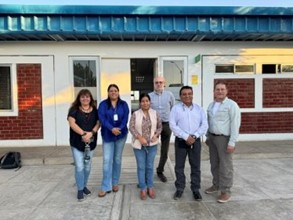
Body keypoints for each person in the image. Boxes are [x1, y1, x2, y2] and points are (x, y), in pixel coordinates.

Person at [169, 85, 208, 201]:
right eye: (184, 94)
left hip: (195, 141)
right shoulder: (175, 109)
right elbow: (172, 125)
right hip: (181, 141)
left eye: (189, 94)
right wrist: (186, 136)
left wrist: (194, 136)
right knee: (179, 166)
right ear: (180, 96)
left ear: (192, 95)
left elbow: (204, 124)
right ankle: (180, 188)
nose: (187, 96)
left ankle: (195, 189)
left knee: (196, 166)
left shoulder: (199, 109)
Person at [205, 82, 241, 203]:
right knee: (214, 163)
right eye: (217, 89)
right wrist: (207, 136)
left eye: (222, 89)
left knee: (225, 165)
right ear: (214, 91)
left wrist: (232, 142)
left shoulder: (232, 105)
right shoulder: (211, 105)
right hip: (212, 138)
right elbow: (208, 122)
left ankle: (225, 191)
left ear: (226, 91)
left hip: (224, 139)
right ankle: (216, 185)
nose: (219, 91)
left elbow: (235, 124)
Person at [67, 89, 100, 201]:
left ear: (90, 98)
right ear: (79, 98)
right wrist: (84, 134)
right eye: (82, 97)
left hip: (90, 143)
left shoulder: (95, 110)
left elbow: (98, 123)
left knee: (87, 166)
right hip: (77, 143)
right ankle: (80, 189)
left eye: (87, 97)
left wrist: (92, 133)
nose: (85, 99)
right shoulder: (74, 109)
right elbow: (72, 123)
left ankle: (84, 185)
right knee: (80, 166)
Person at [98, 84, 129, 197]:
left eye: (115, 90)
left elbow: (125, 118)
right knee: (107, 160)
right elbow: (102, 118)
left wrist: (119, 129)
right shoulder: (103, 105)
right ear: (108, 93)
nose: (113, 92)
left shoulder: (124, 104)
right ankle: (106, 186)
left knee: (117, 159)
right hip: (107, 135)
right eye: (111, 91)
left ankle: (115, 182)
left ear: (118, 92)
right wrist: (111, 128)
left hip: (121, 135)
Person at [129, 93, 162, 200]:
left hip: (152, 145)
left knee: (149, 166)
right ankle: (143, 188)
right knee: (141, 167)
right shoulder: (135, 114)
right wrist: (139, 137)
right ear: (140, 103)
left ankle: (150, 187)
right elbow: (131, 127)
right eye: (143, 101)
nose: (145, 103)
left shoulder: (155, 113)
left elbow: (160, 127)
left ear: (150, 102)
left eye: (147, 101)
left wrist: (156, 135)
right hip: (139, 145)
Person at [149, 76, 175, 182]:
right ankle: (148, 171)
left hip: (166, 125)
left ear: (164, 83)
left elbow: (173, 108)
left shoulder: (169, 95)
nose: (158, 84)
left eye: (160, 82)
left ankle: (160, 170)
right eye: (156, 82)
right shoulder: (149, 96)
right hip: (153, 126)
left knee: (165, 150)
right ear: (154, 84)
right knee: (151, 149)